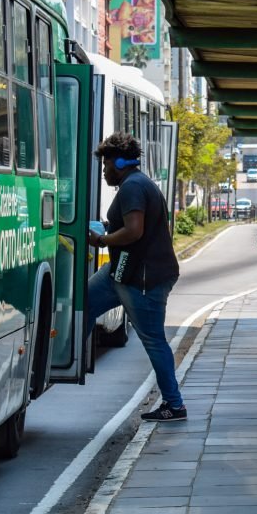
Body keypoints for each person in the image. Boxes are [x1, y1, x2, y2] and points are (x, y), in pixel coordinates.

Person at [86, 133, 184, 421]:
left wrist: (102, 240)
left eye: (106, 166)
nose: (104, 172)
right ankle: (70, 363)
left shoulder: (132, 187)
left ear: (119, 162)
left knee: (153, 339)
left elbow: (134, 231)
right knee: (81, 308)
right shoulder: (134, 184)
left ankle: (174, 404)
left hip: (143, 278)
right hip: (120, 271)